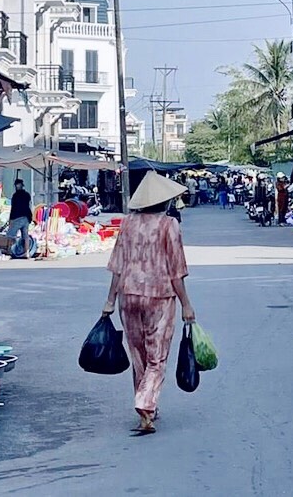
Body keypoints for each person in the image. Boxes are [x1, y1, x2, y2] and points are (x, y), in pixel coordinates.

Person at [103, 174, 196, 435]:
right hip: (160, 296)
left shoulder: (128, 223)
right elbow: (176, 270)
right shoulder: (169, 225)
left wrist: (110, 300)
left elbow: (117, 265)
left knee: (139, 355)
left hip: (128, 295)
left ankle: (148, 409)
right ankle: (145, 403)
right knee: (157, 358)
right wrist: (186, 304)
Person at [5, 178, 33, 244]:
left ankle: (12, 248)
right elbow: (29, 206)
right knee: (25, 236)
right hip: (26, 217)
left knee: (11, 235)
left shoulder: (15, 196)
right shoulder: (27, 195)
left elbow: (13, 208)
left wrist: (10, 219)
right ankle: (27, 250)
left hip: (17, 218)